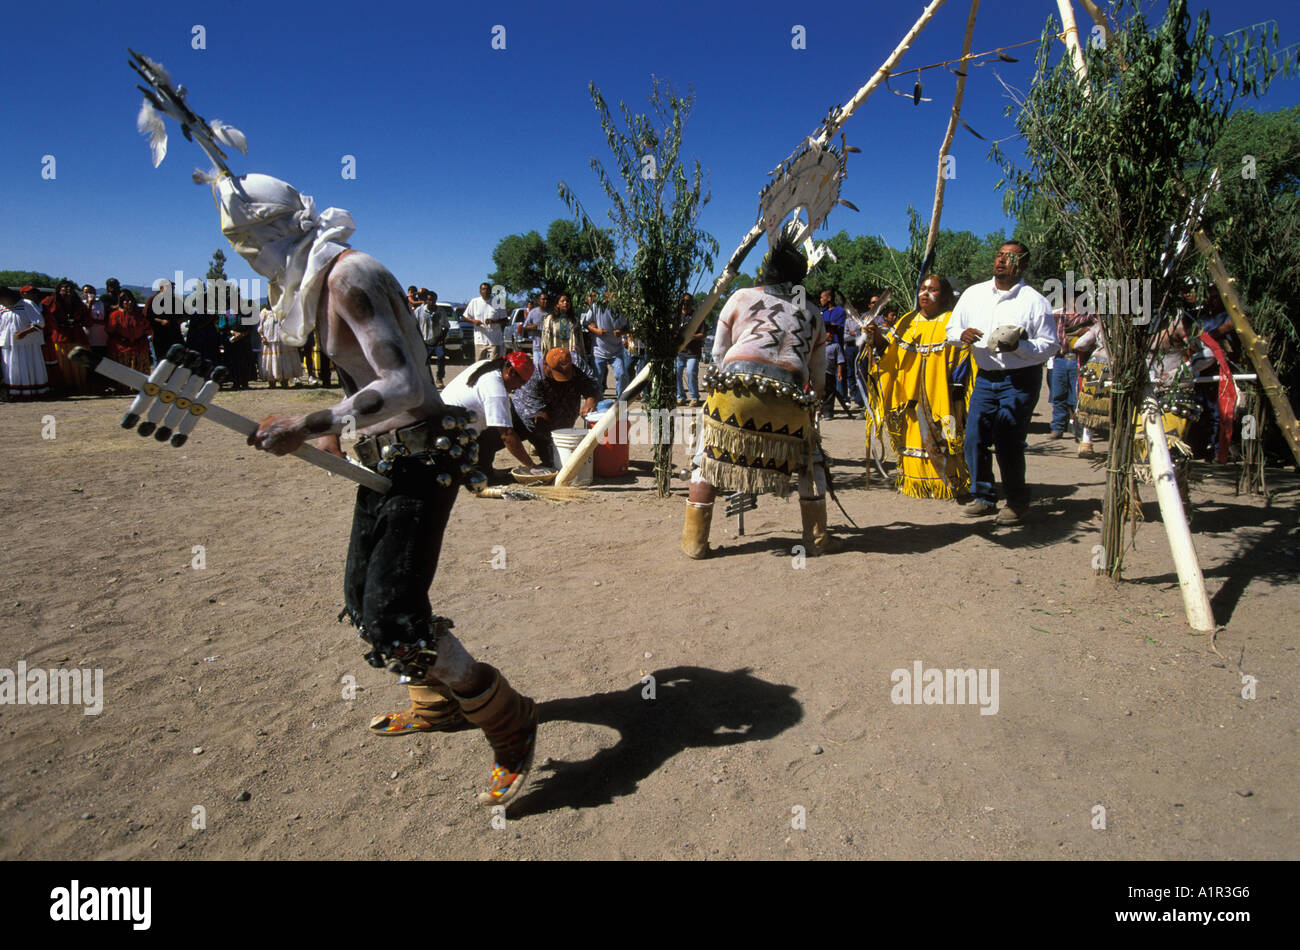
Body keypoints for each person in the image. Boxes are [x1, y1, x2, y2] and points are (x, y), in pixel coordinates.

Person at [212, 171, 536, 806]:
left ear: (276, 232)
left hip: (422, 457)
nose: (251, 259)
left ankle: (508, 720)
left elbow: (406, 384)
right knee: (365, 600)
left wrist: (312, 422)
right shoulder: (327, 280)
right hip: (387, 457)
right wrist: (338, 423)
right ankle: (434, 705)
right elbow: (372, 380)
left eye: (250, 246)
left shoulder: (348, 277)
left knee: (393, 614)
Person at [680, 228, 833, 558]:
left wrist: (721, 395)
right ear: (799, 278)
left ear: (766, 272)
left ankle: (694, 542)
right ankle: (815, 541)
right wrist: (811, 407)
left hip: (734, 397)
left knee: (707, 460)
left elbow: (718, 358)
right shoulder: (813, 313)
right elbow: (818, 377)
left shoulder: (740, 297)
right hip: (789, 404)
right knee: (810, 462)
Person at [945, 241, 1058, 525]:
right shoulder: (974, 294)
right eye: (999, 256)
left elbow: (1050, 345)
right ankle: (984, 497)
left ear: (1023, 264)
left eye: (1010, 258)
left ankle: (1018, 502)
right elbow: (951, 329)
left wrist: (1019, 346)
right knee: (974, 438)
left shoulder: (1035, 301)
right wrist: (963, 334)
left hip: (1020, 379)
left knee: (1008, 440)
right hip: (984, 377)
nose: (1001, 261)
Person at [864, 275, 970, 498]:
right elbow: (890, 353)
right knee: (912, 436)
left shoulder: (952, 321)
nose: (926, 293)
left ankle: (947, 484)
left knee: (945, 437)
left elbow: (964, 360)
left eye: (933, 289)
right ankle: (915, 482)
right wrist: (876, 338)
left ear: (944, 295)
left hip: (942, 394)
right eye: (923, 288)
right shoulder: (907, 320)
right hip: (911, 396)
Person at [439, 351, 541, 474]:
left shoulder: (487, 365)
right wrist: (531, 466)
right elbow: (507, 436)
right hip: (453, 437)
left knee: (505, 415)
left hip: (447, 422)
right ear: (511, 372)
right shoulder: (496, 390)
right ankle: (480, 469)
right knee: (511, 426)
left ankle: (483, 467)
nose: (520, 387)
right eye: (521, 382)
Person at [510, 347, 600, 467]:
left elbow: (593, 386)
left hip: (564, 403)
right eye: (557, 374)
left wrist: (591, 400)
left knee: (565, 439)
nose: (561, 380)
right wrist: (554, 445)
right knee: (554, 461)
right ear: (545, 365)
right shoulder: (533, 376)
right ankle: (539, 444)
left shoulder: (575, 362)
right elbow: (541, 420)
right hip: (533, 414)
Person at [1047, 293, 1095, 441]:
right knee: (1058, 394)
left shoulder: (1089, 317)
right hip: (1060, 358)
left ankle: (1079, 429)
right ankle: (1057, 427)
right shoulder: (1056, 315)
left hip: (1078, 359)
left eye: (1076, 297)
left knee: (1077, 395)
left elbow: (1097, 332)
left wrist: (1088, 331)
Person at [0, 286, 50, 400]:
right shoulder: (2, 308)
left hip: (27, 344)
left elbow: (40, 323)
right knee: (11, 367)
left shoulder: (27, 304)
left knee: (27, 366)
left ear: (7, 296)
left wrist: (24, 332)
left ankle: (32, 391)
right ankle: (14, 392)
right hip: (8, 344)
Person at [585, 289, 627, 401]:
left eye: (617, 294)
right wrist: (596, 330)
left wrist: (621, 332)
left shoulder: (622, 310)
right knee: (597, 379)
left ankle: (621, 403)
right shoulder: (596, 306)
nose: (615, 297)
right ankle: (598, 404)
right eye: (613, 294)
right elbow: (585, 323)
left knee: (622, 375)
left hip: (616, 351)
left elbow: (628, 327)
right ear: (607, 294)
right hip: (599, 350)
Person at [106, 290, 153, 374]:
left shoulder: (139, 315)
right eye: (126, 300)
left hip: (139, 348)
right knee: (123, 374)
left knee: (140, 374)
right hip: (122, 349)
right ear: (121, 302)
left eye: (130, 299)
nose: (129, 302)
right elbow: (110, 330)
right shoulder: (115, 315)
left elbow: (148, 329)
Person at [259, 305, 302, 387]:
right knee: (271, 361)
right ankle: (272, 381)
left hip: (283, 342)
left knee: (284, 360)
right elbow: (260, 328)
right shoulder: (264, 312)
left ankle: (284, 380)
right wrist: (262, 337)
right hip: (269, 342)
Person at [676, 292, 705, 407]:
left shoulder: (697, 316)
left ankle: (694, 398)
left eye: (688, 302)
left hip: (693, 352)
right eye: (683, 302)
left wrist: (691, 336)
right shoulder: (677, 316)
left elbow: (703, 334)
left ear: (692, 303)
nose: (685, 304)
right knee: (676, 372)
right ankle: (680, 397)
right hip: (679, 352)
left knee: (690, 373)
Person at [465, 281, 506, 362]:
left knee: (494, 365)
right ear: (480, 291)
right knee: (479, 365)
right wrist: (474, 321)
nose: (485, 291)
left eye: (487, 289)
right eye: (483, 289)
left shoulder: (498, 302)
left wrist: (493, 321)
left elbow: (505, 320)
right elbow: (466, 317)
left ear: (491, 291)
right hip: (480, 339)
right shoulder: (474, 302)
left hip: (494, 340)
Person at [541, 292, 586, 361]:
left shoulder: (575, 320)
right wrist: (545, 357)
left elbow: (580, 340)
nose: (565, 303)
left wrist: (582, 356)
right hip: (554, 356)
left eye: (567, 301)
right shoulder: (550, 319)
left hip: (571, 357)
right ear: (557, 304)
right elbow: (545, 340)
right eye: (562, 301)